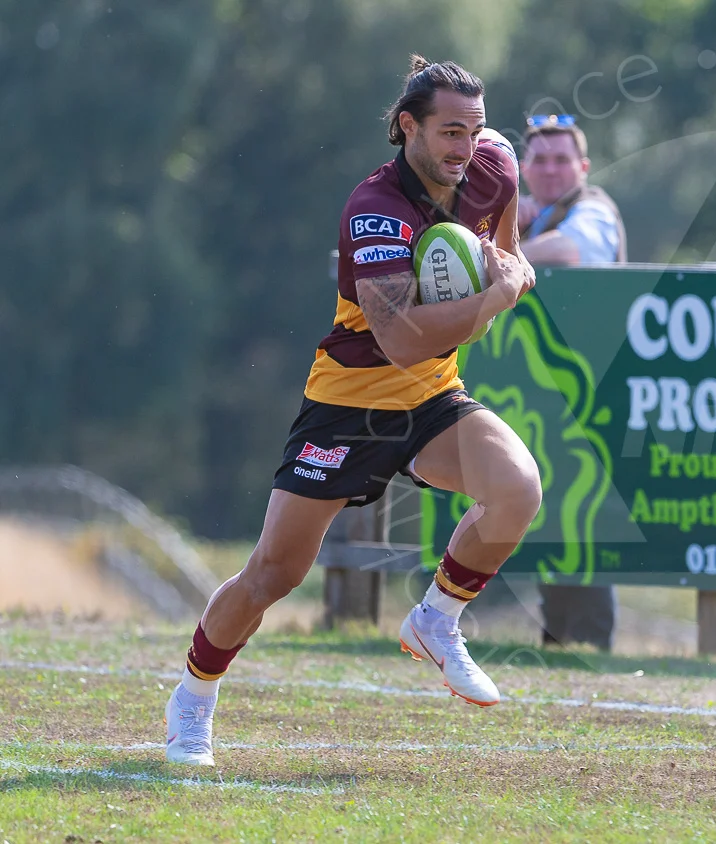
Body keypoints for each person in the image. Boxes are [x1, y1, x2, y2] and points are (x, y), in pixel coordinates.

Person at [164, 56, 540, 767]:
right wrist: (497, 296)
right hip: (347, 407)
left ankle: (437, 619)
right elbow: (399, 341)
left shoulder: (493, 168)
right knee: (273, 575)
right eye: (449, 132)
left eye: (475, 131)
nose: (465, 148)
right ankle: (193, 697)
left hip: (431, 400)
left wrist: (508, 266)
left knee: (517, 490)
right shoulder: (374, 209)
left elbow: (506, 246)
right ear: (407, 128)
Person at [517, 114, 625, 650]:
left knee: (583, 523)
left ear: (583, 167)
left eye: (562, 159)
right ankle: (560, 642)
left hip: (592, 397)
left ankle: (589, 644)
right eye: (539, 159)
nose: (551, 169)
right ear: (522, 167)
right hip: (546, 398)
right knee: (547, 517)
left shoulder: (593, 210)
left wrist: (491, 256)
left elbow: (573, 252)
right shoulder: (530, 217)